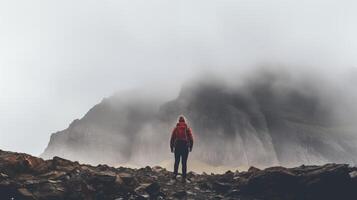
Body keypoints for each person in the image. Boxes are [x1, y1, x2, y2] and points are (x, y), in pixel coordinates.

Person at [170, 115, 194, 181]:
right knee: (184, 162)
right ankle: (184, 177)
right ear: (184, 121)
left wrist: (172, 148)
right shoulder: (187, 128)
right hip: (185, 146)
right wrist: (191, 147)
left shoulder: (176, 128)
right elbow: (191, 139)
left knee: (177, 161)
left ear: (179, 121)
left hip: (177, 146)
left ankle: (175, 175)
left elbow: (172, 139)